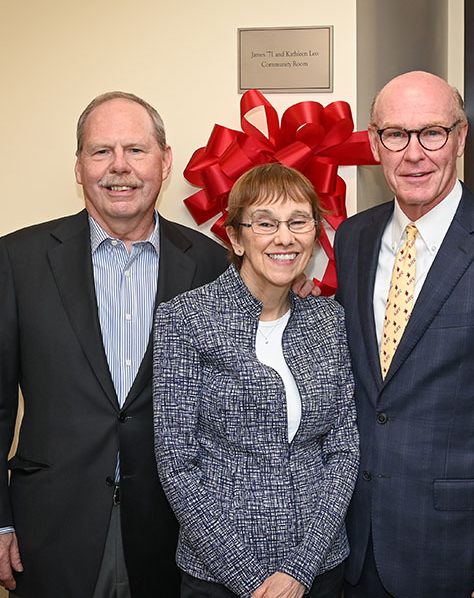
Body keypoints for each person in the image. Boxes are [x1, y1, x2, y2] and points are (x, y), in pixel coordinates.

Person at [0, 91, 228, 597]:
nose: (119, 167)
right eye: (101, 151)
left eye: (136, 149)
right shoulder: (22, 258)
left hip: (172, 527)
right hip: (50, 523)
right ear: (79, 166)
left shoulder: (210, 265)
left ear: (165, 161)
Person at [334, 71, 474, 598]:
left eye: (432, 133)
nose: (413, 153)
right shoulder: (353, 237)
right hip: (350, 534)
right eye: (395, 134)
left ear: (461, 138)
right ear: (374, 143)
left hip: (458, 543)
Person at [153, 163, 359, 598]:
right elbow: (177, 463)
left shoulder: (328, 321)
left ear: (315, 234)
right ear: (235, 237)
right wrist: (253, 581)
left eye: (299, 222)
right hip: (219, 576)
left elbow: (342, 450)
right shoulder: (186, 319)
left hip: (320, 569)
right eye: (264, 223)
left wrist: (300, 570)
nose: (284, 238)